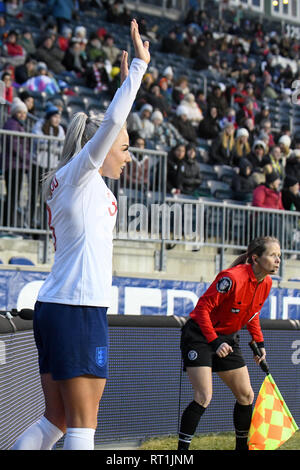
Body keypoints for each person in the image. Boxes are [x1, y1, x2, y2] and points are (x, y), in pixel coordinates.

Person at [10, 19, 150, 451]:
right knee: (82, 428)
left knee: (55, 421)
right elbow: (111, 120)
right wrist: (138, 71)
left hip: (59, 306)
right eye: (124, 148)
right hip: (77, 308)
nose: (128, 156)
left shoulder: (79, 184)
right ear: (100, 147)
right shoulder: (79, 176)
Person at [178, 236, 281, 451]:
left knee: (246, 395)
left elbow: (253, 314)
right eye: (273, 255)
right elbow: (202, 310)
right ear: (255, 258)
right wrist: (214, 342)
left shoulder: (267, 282)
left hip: (227, 337)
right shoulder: (231, 278)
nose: (278, 260)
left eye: (279, 256)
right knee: (204, 396)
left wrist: (258, 341)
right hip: (200, 335)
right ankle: (181, 452)